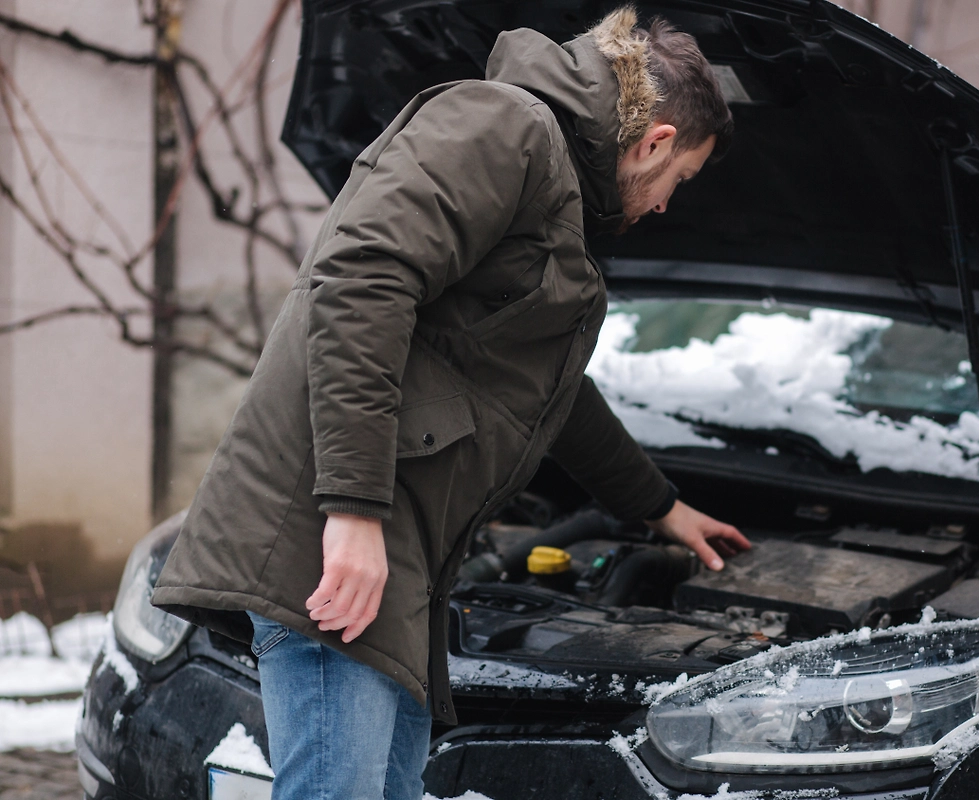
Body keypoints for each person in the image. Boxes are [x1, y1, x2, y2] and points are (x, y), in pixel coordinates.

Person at [152, 6, 749, 798]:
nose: (668, 204)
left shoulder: (554, 193)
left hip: (399, 557)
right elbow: (362, 279)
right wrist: (354, 512)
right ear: (655, 143)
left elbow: (549, 395)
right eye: (681, 180)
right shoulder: (505, 126)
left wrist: (659, 507)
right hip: (335, 538)